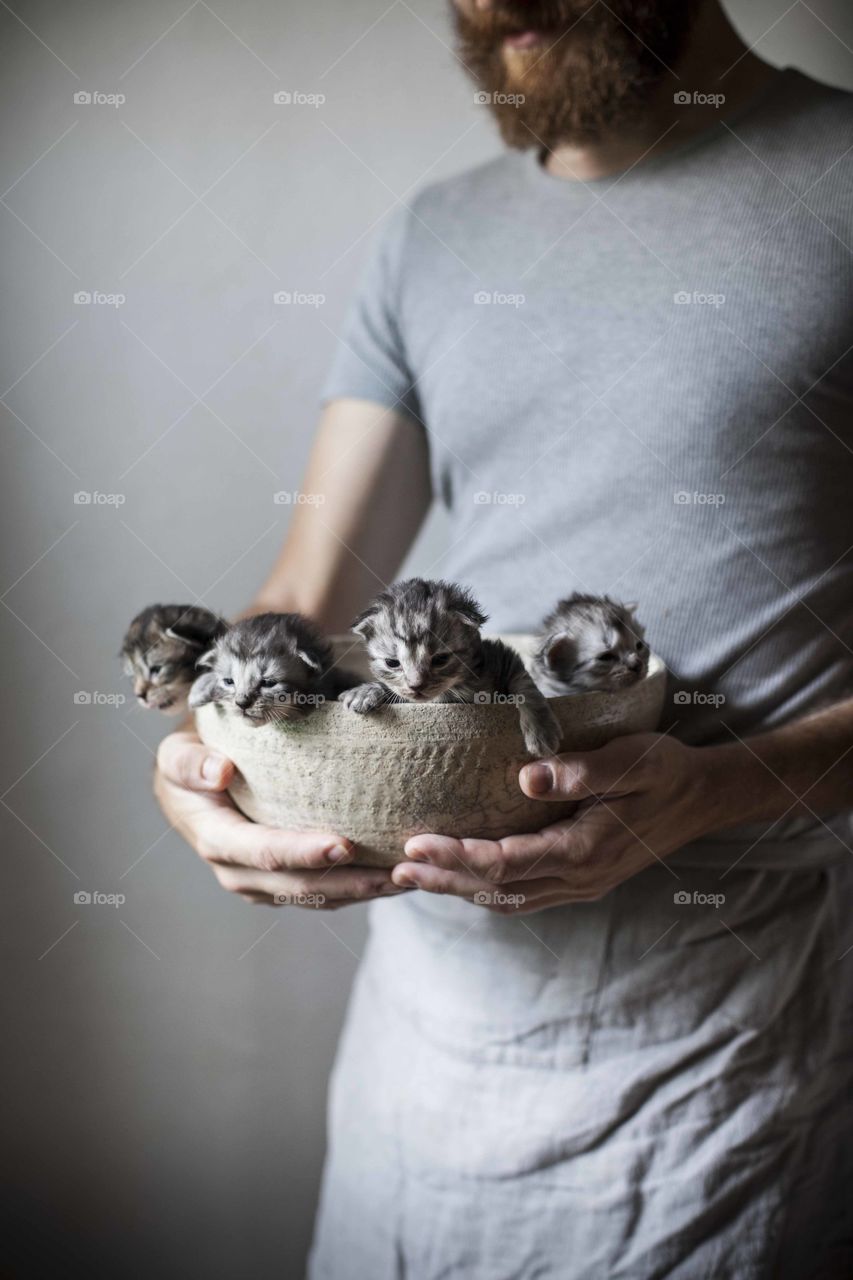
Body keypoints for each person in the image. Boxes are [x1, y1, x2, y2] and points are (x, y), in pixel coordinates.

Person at [154, 1, 853, 1274]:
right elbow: (306, 592)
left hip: (727, 1046)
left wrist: (708, 791)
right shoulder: (431, 237)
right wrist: (206, 760)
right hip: (421, 1031)